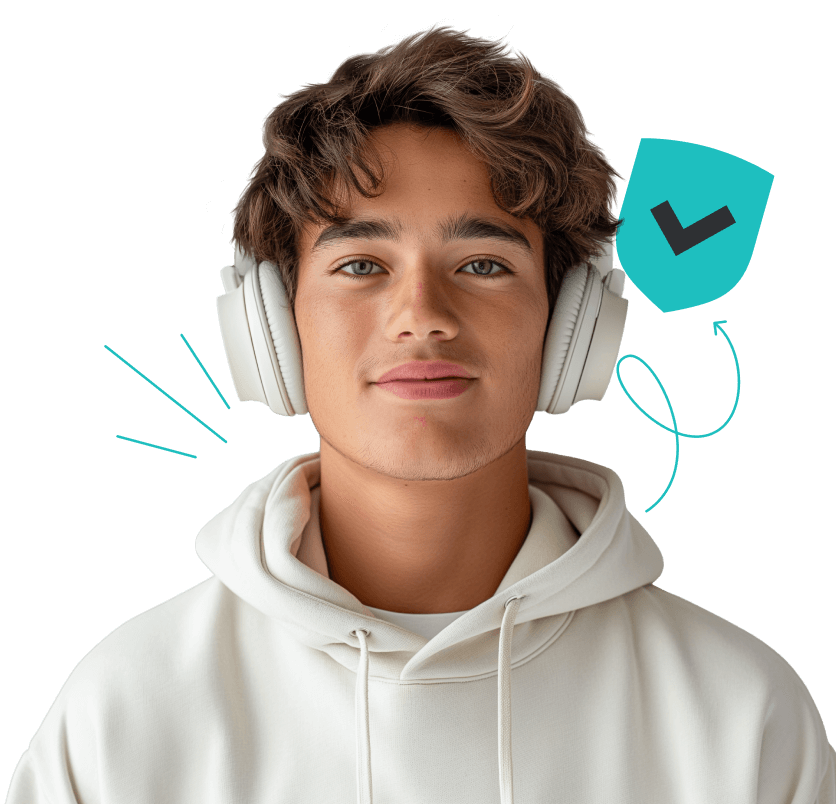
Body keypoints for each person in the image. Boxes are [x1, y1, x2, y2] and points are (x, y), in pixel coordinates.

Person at [8, 23, 834, 804]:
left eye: (482, 263)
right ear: (269, 328)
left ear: (575, 326)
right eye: (363, 262)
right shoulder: (124, 712)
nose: (422, 314)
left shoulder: (742, 716)